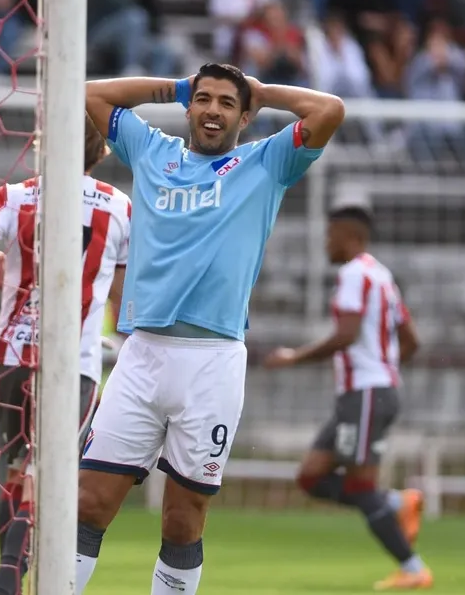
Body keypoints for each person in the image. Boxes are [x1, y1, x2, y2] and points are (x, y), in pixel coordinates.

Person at [76, 63, 345, 594]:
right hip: (142, 355)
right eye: (202, 99)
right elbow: (88, 93)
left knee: (183, 514)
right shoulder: (152, 151)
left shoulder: (266, 162)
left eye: (227, 102)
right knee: (88, 501)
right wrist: (176, 87)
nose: (212, 111)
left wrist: (264, 91)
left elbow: (329, 110)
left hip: (213, 362)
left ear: (246, 116)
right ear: (188, 108)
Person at [0, 115, 131, 595]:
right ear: (101, 153)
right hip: (71, 360)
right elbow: (123, 289)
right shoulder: (120, 207)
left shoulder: (16, 195)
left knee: (17, 465)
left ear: (45, 145)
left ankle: (8, 574)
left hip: (13, 350)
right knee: (47, 472)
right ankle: (8, 582)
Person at [264, 206, 432, 590]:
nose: (326, 243)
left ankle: (413, 569)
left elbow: (346, 336)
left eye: (330, 235)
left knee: (358, 486)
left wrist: (293, 358)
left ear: (349, 235)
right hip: (366, 395)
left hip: (366, 397)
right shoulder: (382, 275)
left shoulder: (355, 273)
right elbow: (412, 341)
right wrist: (384, 371)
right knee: (311, 477)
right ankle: (395, 503)